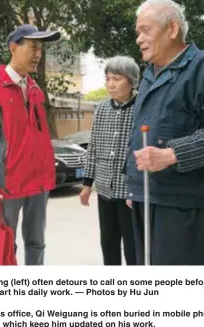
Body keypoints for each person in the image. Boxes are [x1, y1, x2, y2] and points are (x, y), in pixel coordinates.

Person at [125, 0, 204, 265]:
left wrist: (171, 155)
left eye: (146, 30)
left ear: (172, 29)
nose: (139, 39)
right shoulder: (149, 76)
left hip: (181, 201)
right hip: (143, 196)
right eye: (138, 32)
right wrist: (133, 185)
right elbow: (140, 132)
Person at [0, 24, 61, 265]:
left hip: (39, 184)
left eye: (40, 48)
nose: (38, 54)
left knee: (37, 244)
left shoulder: (34, 87)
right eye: (32, 47)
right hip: (7, 185)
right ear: (13, 48)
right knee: (5, 247)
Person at [80, 56, 140, 266]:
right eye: (107, 79)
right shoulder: (102, 108)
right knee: (109, 243)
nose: (110, 84)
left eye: (116, 79)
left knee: (133, 247)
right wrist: (87, 185)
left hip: (130, 193)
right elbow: (93, 146)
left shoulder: (141, 107)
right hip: (105, 189)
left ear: (131, 81)